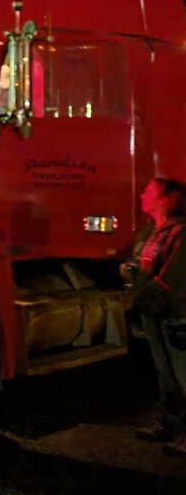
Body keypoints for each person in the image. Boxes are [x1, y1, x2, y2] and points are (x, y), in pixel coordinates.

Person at [131, 177, 186, 458]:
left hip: (175, 316)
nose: (142, 195)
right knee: (166, 374)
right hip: (155, 313)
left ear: (165, 199)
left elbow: (174, 277)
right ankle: (170, 423)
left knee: (182, 373)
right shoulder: (156, 231)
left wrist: (142, 296)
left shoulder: (181, 233)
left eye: (148, 191)